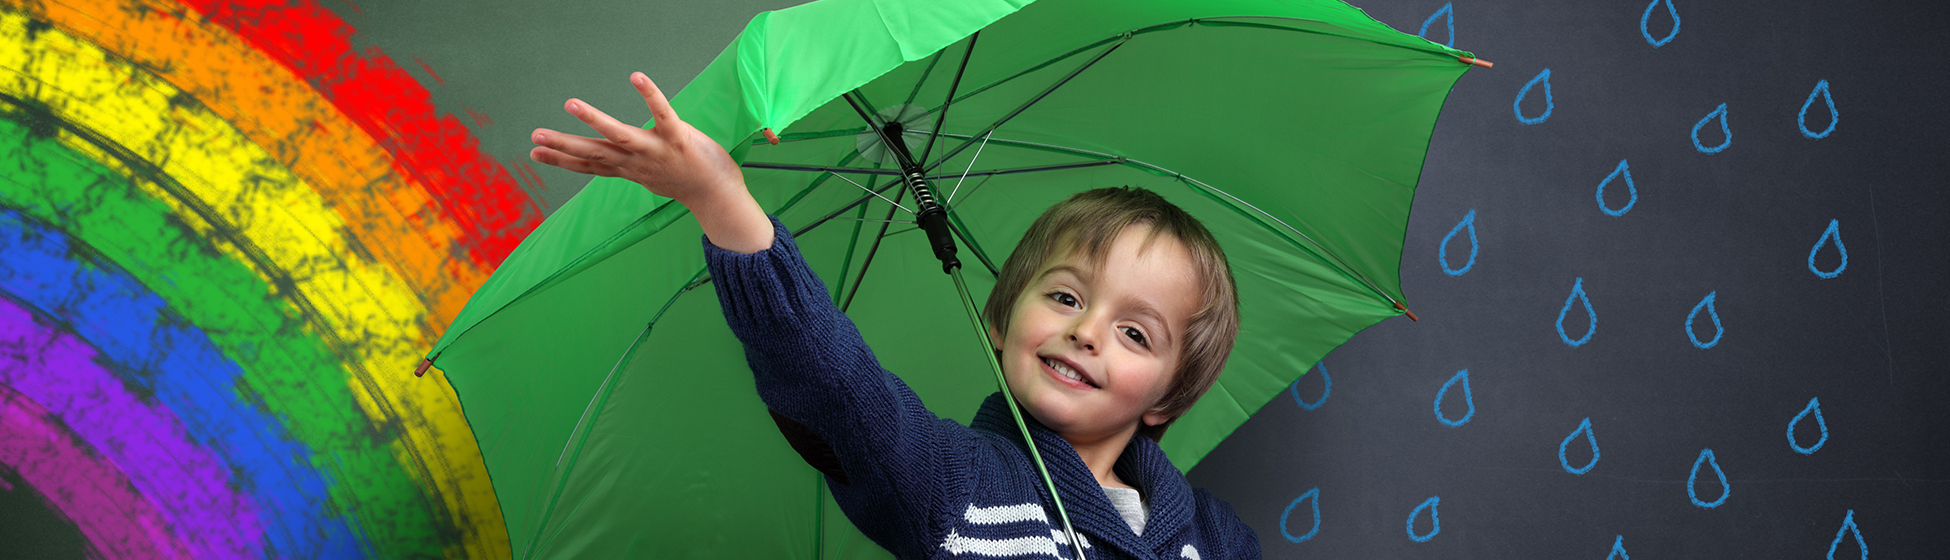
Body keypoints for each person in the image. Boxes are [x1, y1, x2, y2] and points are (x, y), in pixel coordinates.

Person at [529, 72, 1259, 559]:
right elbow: (839, 390)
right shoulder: (949, 484)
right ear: (1000, 321)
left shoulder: (1216, 538)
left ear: (1170, 391)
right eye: (1065, 296)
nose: (1087, 330)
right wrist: (722, 201)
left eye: (1135, 333)